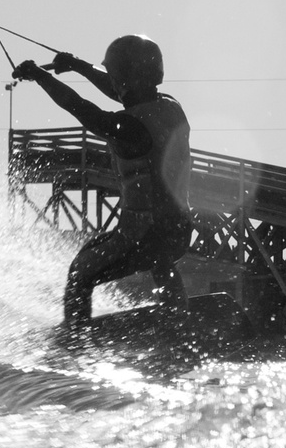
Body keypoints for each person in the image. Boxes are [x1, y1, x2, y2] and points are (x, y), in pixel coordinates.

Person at [13, 35, 194, 326]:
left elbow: (79, 106)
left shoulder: (128, 127)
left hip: (144, 235)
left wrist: (39, 76)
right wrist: (78, 66)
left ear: (123, 79)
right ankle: (177, 311)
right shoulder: (172, 107)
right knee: (151, 258)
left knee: (80, 272)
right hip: (179, 231)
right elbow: (121, 90)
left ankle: (75, 341)